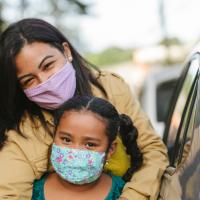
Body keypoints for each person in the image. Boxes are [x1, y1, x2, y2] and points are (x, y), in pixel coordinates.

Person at [0, 18, 169, 200]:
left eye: (48, 65)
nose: (45, 82)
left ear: (66, 51)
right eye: (29, 80)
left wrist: (132, 197)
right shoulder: (20, 131)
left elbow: (152, 151)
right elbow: (10, 192)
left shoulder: (111, 88)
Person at [32, 95, 143, 200]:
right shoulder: (29, 191)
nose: (75, 151)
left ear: (110, 150)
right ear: (54, 137)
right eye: (66, 140)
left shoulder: (125, 193)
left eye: (90, 144)